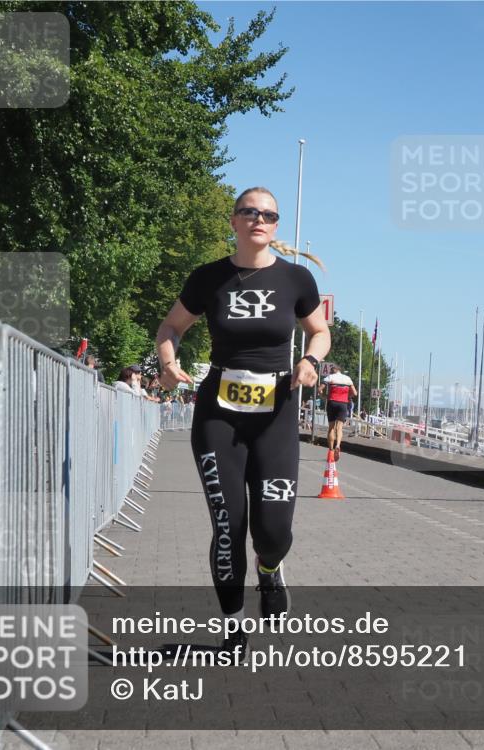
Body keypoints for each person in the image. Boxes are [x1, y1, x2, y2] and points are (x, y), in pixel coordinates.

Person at [156, 186, 330, 653]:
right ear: (233, 221)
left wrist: (310, 361)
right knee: (228, 525)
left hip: (275, 414)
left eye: (269, 215)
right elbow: (171, 326)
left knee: (272, 532)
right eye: (250, 212)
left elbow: (319, 331)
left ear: (276, 227)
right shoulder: (208, 278)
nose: (260, 219)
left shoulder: (297, 280)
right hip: (219, 415)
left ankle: (270, 570)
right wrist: (168, 362)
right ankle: (233, 627)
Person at [318, 365, 357, 460]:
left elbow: (319, 389)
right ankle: (338, 445)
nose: (330, 372)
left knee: (331, 428)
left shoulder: (330, 377)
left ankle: (331, 450)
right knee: (339, 428)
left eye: (331, 370)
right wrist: (348, 396)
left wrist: (324, 397)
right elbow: (355, 393)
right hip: (343, 404)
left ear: (335, 370)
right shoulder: (347, 378)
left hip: (332, 402)